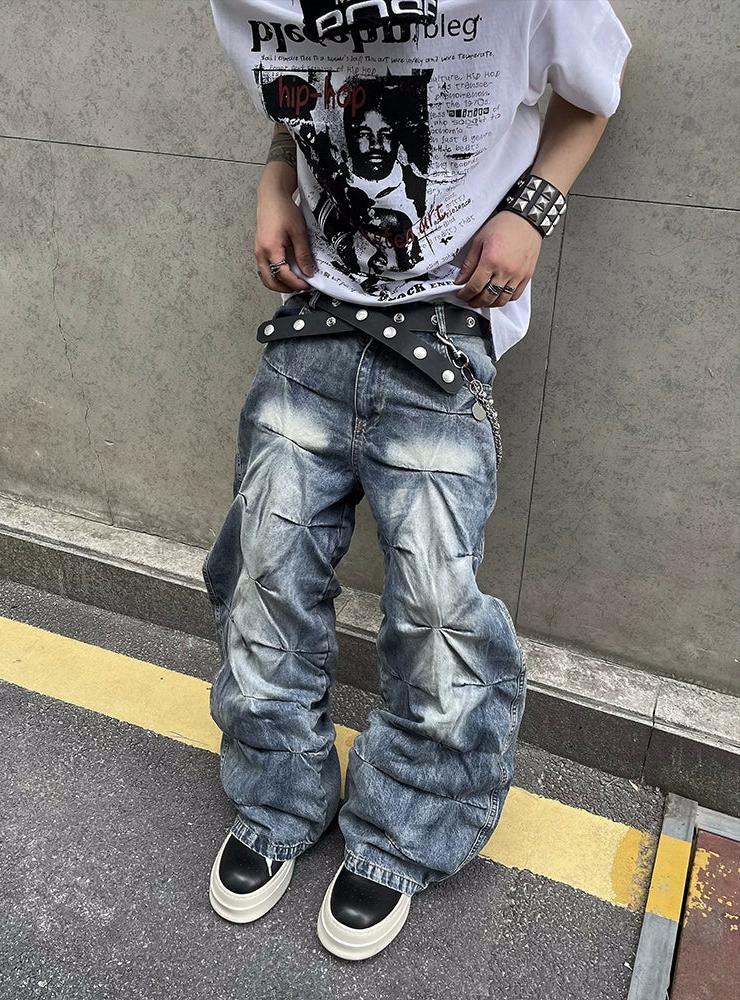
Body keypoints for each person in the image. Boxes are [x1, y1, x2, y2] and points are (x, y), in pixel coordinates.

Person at [203, 0, 630, 960]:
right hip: (311, 326)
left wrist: (533, 208)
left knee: (438, 606)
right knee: (262, 575)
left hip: (443, 335)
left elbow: (594, 86)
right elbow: (303, 88)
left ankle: (406, 826)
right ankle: (275, 797)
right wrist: (277, 172)